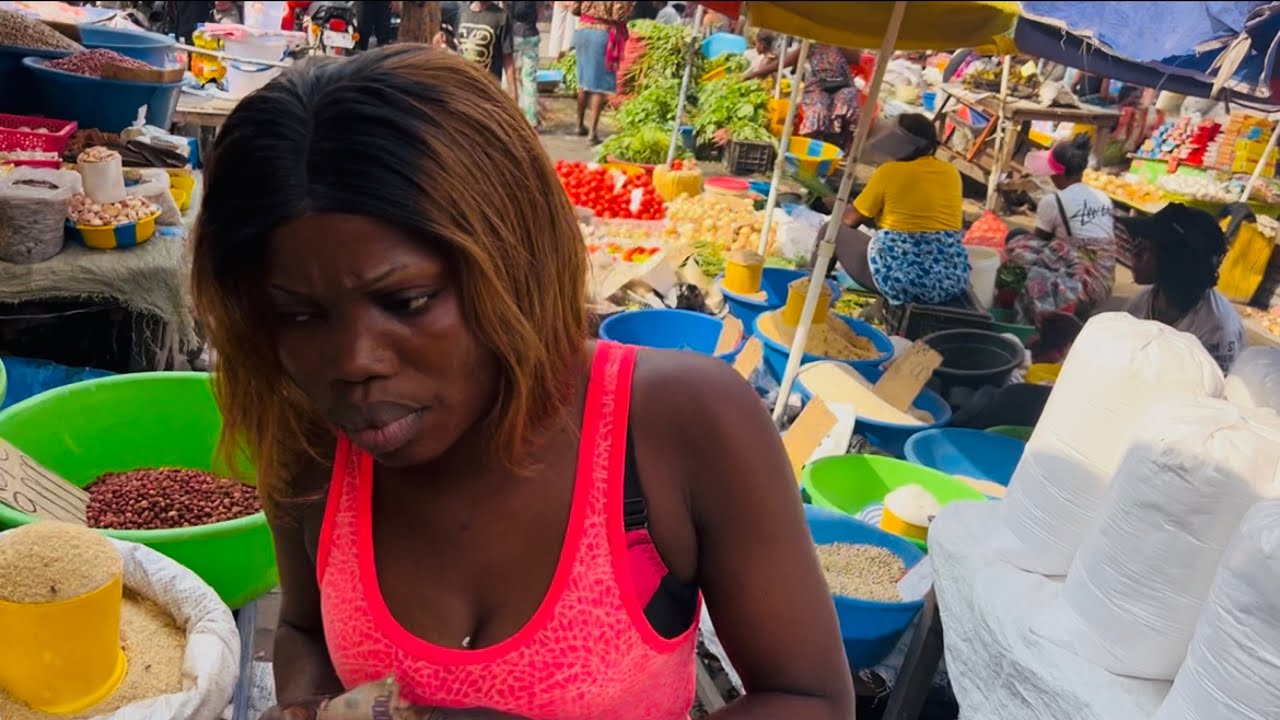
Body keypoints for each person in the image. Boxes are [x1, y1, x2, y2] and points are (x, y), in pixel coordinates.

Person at [192, 45, 855, 720]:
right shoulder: (311, 438)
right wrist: (311, 708)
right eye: (299, 315)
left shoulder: (676, 424)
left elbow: (809, 700)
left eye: (408, 300)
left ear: (512, 263)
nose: (353, 362)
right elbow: (303, 628)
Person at [821, 113, 969, 305]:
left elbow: (850, 221)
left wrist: (836, 205)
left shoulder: (889, 172)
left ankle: (811, 292)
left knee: (830, 231)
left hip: (901, 280)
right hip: (948, 280)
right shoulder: (951, 173)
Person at [1001, 133, 1116, 322]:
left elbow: (1037, 242)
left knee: (1017, 240)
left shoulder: (1053, 201)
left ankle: (1033, 312)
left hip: (1078, 284)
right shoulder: (1104, 198)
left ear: (1058, 172)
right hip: (1104, 284)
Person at [1122, 203, 1245, 372]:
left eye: (1146, 248)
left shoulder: (1218, 329)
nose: (1135, 253)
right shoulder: (1142, 302)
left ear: (1171, 263)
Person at [742, 44, 862, 146]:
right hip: (818, 86)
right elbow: (784, 63)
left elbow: (857, 59)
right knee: (818, 110)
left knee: (847, 101)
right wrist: (755, 74)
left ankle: (839, 146)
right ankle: (814, 147)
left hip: (842, 84)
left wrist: (840, 43)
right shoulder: (810, 45)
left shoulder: (845, 45)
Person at [572, 2, 634, 143]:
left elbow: (575, 8)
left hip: (583, 31)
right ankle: (593, 132)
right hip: (601, 33)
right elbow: (619, 15)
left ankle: (579, 125)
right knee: (598, 86)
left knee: (583, 80)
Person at [443, 1, 517, 98]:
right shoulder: (462, 13)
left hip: (489, 89)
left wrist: (513, 92)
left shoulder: (501, 17)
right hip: (464, 86)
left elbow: (508, 58)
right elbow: (459, 47)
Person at [507, 1, 542, 128]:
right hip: (531, 35)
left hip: (514, 36)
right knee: (530, 79)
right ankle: (531, 119)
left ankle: (511, 115)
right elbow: (540, 10)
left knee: (509, 76)